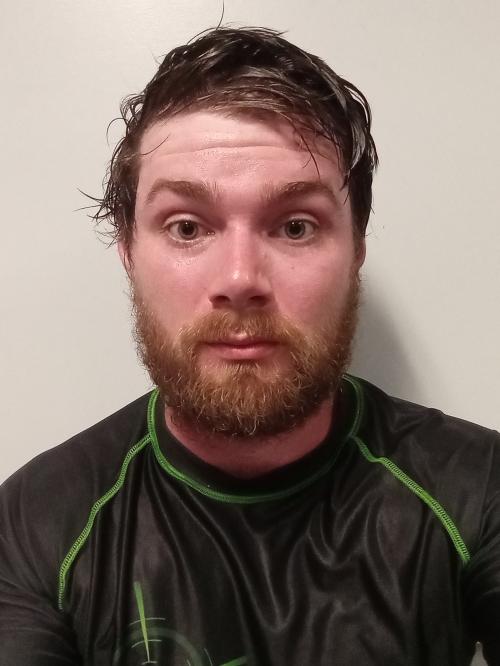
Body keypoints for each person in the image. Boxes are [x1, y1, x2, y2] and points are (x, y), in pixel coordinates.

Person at [0, 25, 498, 666]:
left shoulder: (478, 489)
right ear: (128, 249)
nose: (240, 279)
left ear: (357, 248)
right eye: (187, 227)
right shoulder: (37, 524)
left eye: (295, 226)